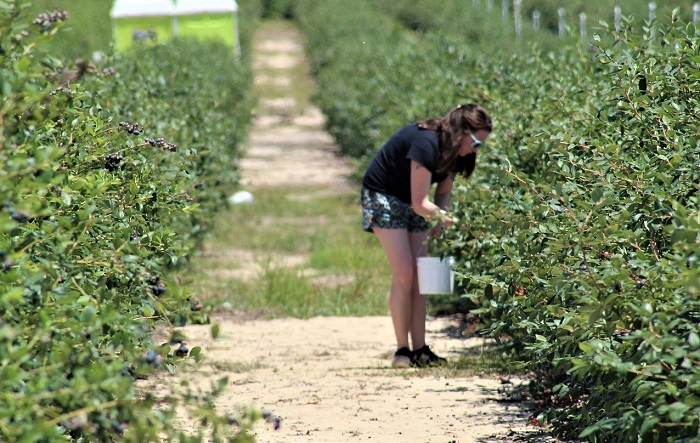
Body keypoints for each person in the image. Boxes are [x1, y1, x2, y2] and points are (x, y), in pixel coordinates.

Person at [361, 103, 492, 368]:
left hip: (411, 200)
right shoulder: (425, 143)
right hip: (383, 195)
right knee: (405, 272)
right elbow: (421, 204)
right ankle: (402, 351)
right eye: (477, 142)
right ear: (464, 132)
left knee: (424, 274)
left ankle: (421, 349)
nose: (476, 150)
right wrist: (446, 218)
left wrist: (442, 216)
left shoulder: (456, 152)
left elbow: (442, 193)